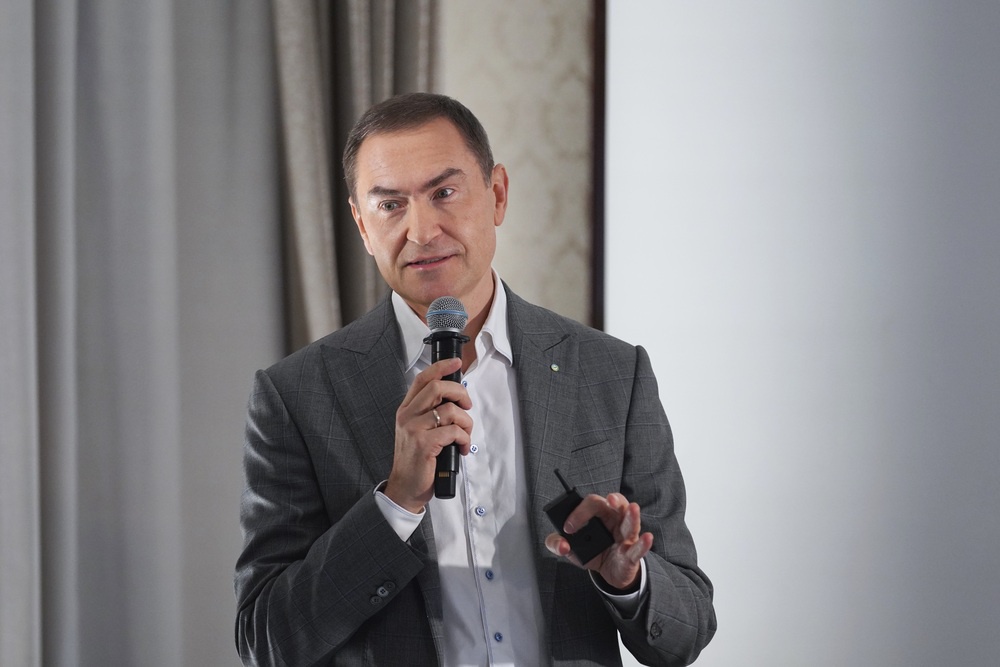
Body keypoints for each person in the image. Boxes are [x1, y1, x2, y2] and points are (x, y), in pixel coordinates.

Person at [234, 92, 716, 666]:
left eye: (443, 193)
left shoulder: (612, 372)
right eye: (390, 205)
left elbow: (688, 629)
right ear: (362, 225)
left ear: (498, 194)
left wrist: (627, 580)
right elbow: (266, 640)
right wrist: (396, 503)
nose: (421, 231)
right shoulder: (295, 395)